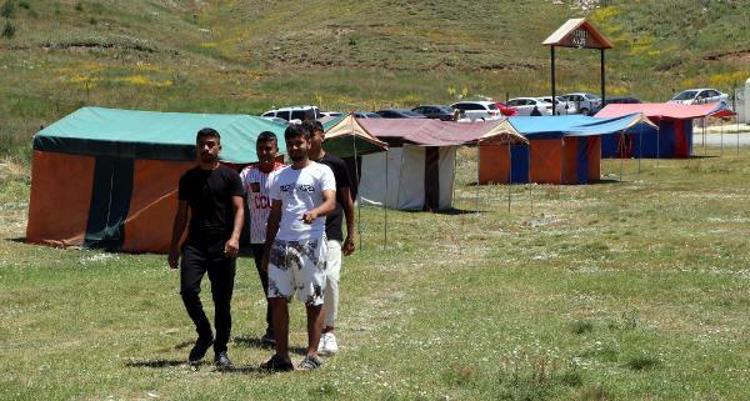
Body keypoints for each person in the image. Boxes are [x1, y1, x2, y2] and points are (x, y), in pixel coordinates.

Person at [260, 123, 336, 372]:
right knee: (277, 299)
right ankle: (282, 357)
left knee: (313, 299)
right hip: (281, 245)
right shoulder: (279, 176)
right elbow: (274, 215)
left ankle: (312, 354)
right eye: (290, 144)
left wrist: (315, 212)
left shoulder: (322, 171)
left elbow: (331, 202)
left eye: (299, 143)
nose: (294, 148)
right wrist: (267, 249)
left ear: (308, 143)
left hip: (310, 243)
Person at [168, 128, 244, 369]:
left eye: (211, 144)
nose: (206, 148)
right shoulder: (188, 178)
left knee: (222, 301)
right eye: (202, 144)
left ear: (219, 147)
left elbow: (240, 209)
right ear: (197, 147)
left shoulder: (230, 177)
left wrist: (234, 238)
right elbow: (181, 214)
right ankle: (204, 333)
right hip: (195, 244)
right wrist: (174, 246)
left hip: (223, 245)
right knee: (188, 290)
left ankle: (221, 351)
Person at [304, 120, 356, 355]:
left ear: (322, 136)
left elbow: (347, 200)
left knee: (331, 278)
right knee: (312, 283)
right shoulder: (299, 165)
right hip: (306, 231)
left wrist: (351, 234)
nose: (308, 139)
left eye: (312, 134)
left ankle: (330, 331)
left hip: (332, 229)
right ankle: (316, 330)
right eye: (305, 135)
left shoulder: (337, 164)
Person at [239, 131, 285, 345]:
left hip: (283, 237)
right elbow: (235, 199)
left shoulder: (285, 173)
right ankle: (274, 329)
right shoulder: (247, 174)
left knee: (279, 285)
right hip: (258, 239)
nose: (265, 153)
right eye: (261, 149)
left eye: (269, 149)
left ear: (277, 150)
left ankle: (274, 329)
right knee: (269, 285)